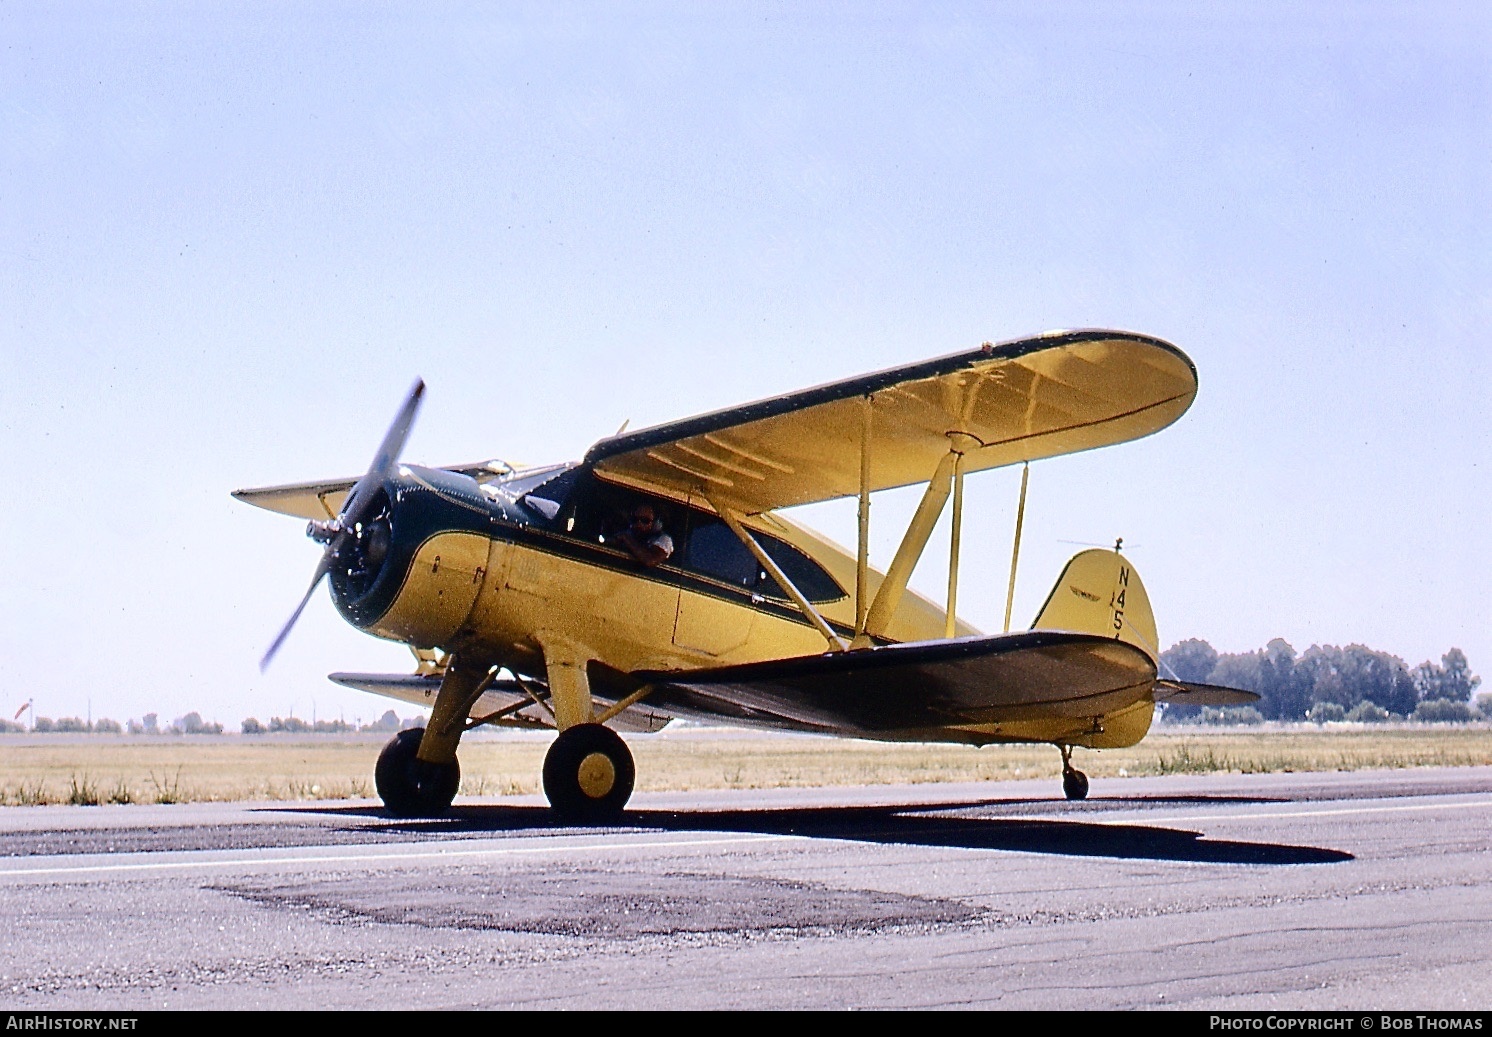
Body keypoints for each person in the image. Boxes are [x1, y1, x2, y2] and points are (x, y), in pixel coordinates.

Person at [611, 503, 674, 567]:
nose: (639, 524)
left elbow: (650, 560)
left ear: (655, 523)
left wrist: (627, 539)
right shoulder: (629, 532)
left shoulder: (663, 540)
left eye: (645, 520)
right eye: (635, 519)